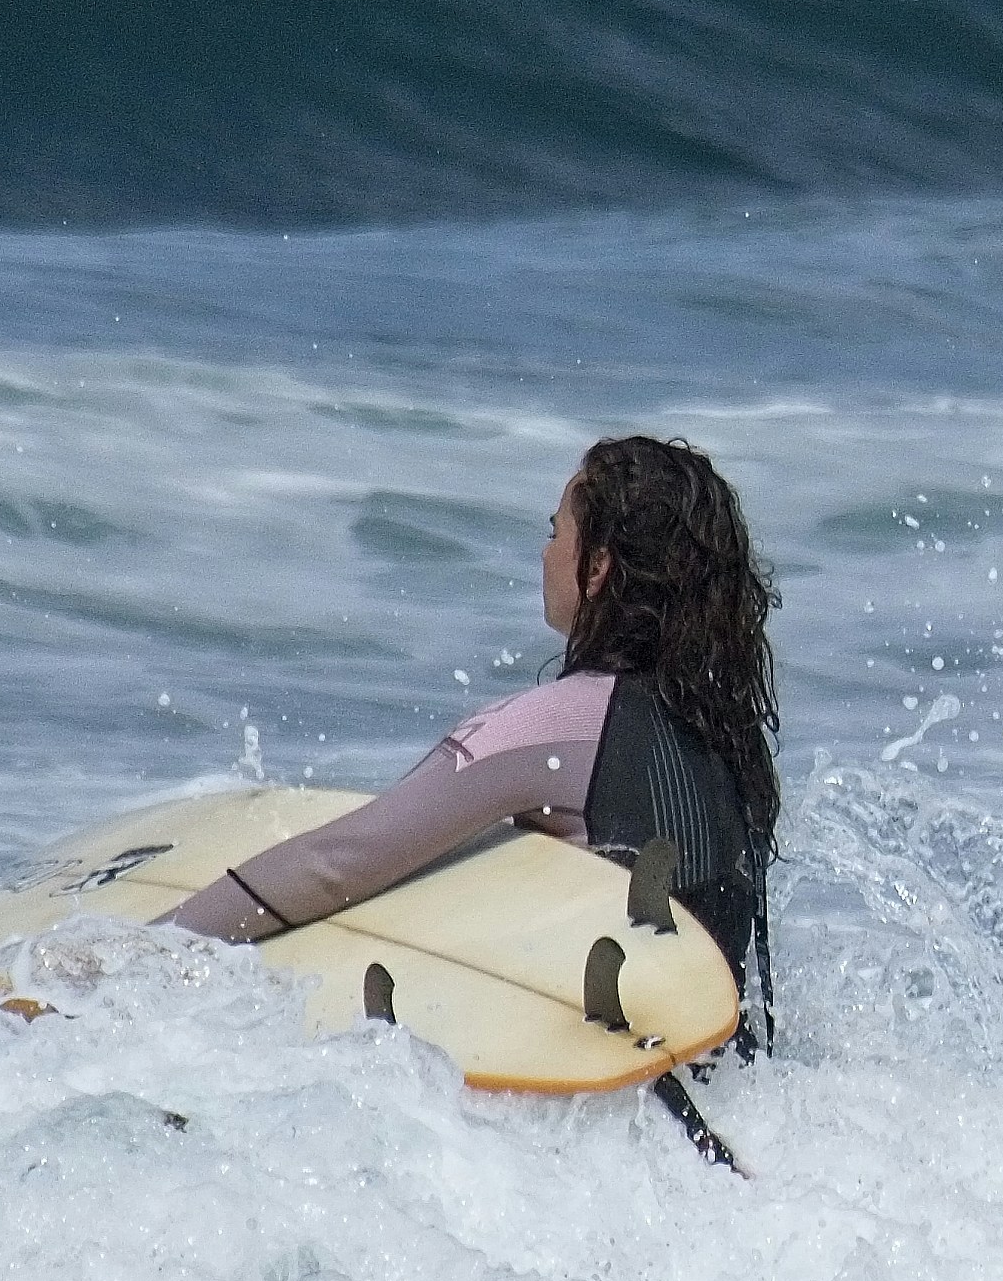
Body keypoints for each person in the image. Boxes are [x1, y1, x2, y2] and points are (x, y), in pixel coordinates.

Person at [164, 434, 779, 1025]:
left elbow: (337, 864)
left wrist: (142, 953)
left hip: (593, 1088)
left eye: (554, 532)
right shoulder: (732, 740)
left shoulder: (556, 724)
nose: (545, 553)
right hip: (722, 1074)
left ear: (596, 566)